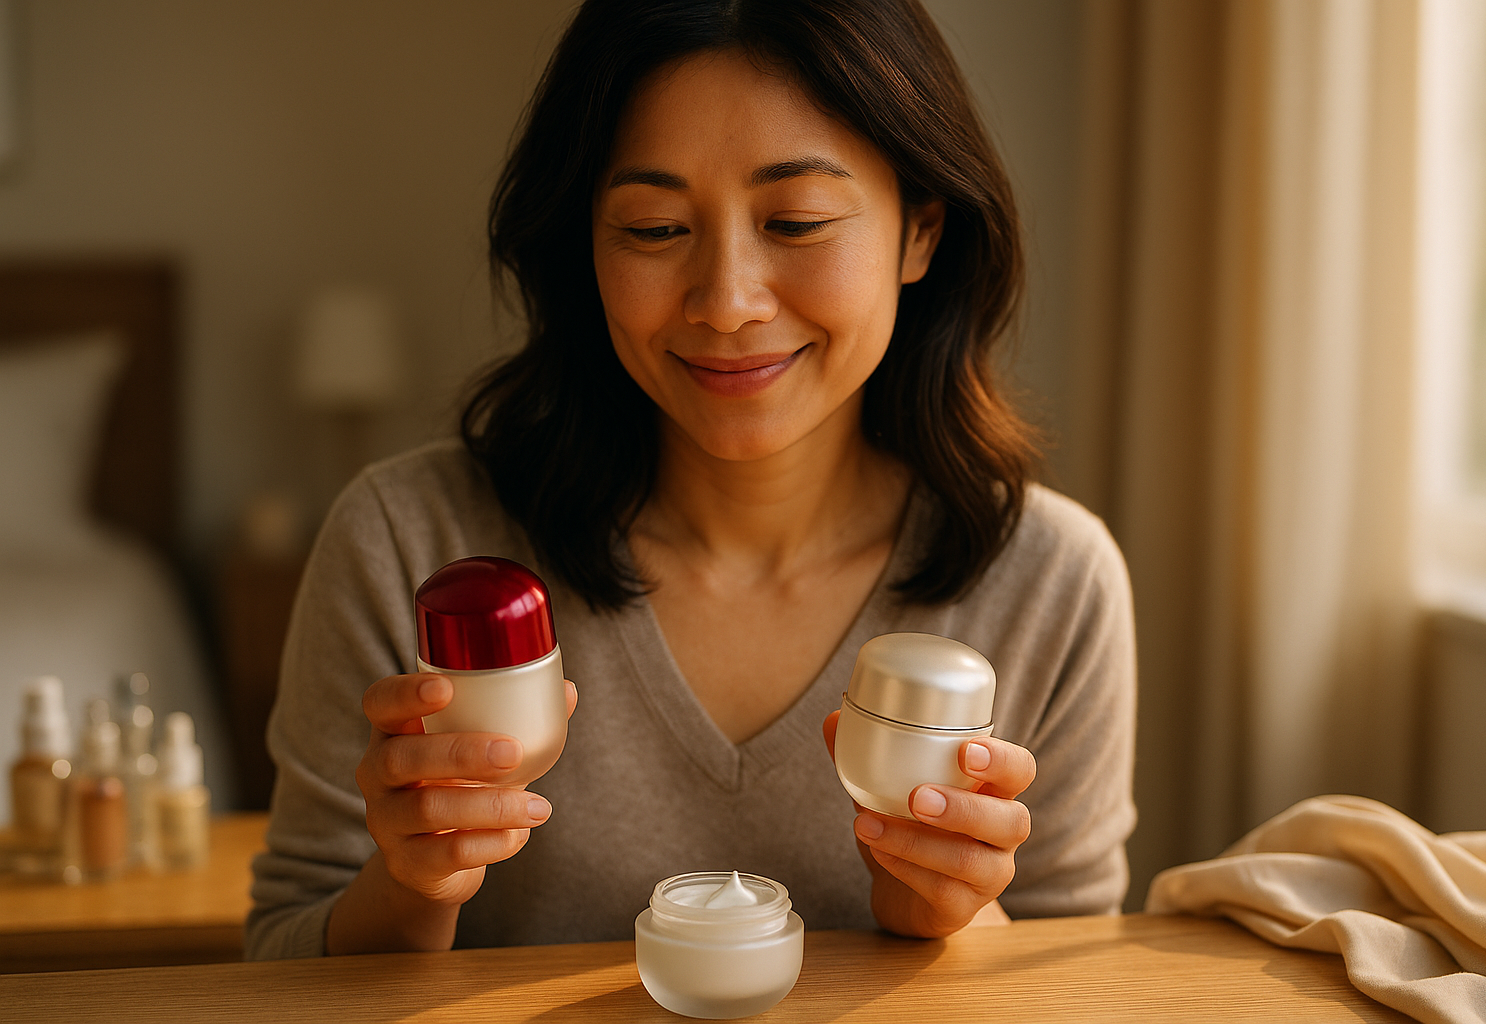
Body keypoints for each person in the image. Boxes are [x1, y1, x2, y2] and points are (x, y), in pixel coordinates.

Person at [246, 0, 1135, 959]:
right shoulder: (409, 541)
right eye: (656, 228)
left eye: (795, 221)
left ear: (920, 232)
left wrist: (949, 917)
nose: (726, 303)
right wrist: (412, 884)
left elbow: (1073, 979)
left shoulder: (1051, 580)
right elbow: (283, 956)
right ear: (584, 243)